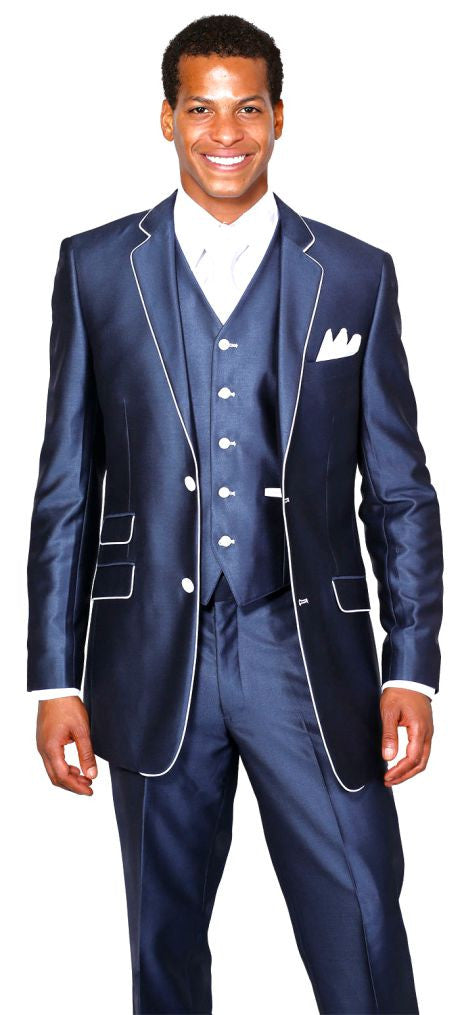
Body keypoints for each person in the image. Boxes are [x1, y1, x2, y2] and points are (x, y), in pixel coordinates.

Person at [26, 14, 443, 1015]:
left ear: (278, 118)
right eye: (202, 109)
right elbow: (67, 485)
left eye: (247, 109)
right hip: (149, 651)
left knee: (362, 924)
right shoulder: (95, 268)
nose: (225, 132)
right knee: (161, 945)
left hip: (305, 651)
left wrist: (410, 664)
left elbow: (398, 488)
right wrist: (54, 677)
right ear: (167, 118)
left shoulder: (354, 274)